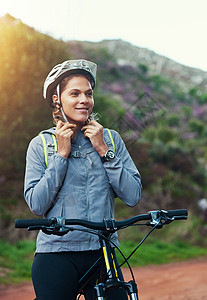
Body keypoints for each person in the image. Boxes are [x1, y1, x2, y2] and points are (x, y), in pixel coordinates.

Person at [24, 59, 142, 300]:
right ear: (57, 99)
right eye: (74, 93)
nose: (84, 100)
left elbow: (133, 196)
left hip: (104, 254)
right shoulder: (41, 145)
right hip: (56, 253)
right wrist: (61, 155)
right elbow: (36, 205)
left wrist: (103, 150)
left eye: (88, 93)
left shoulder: (111, 139)